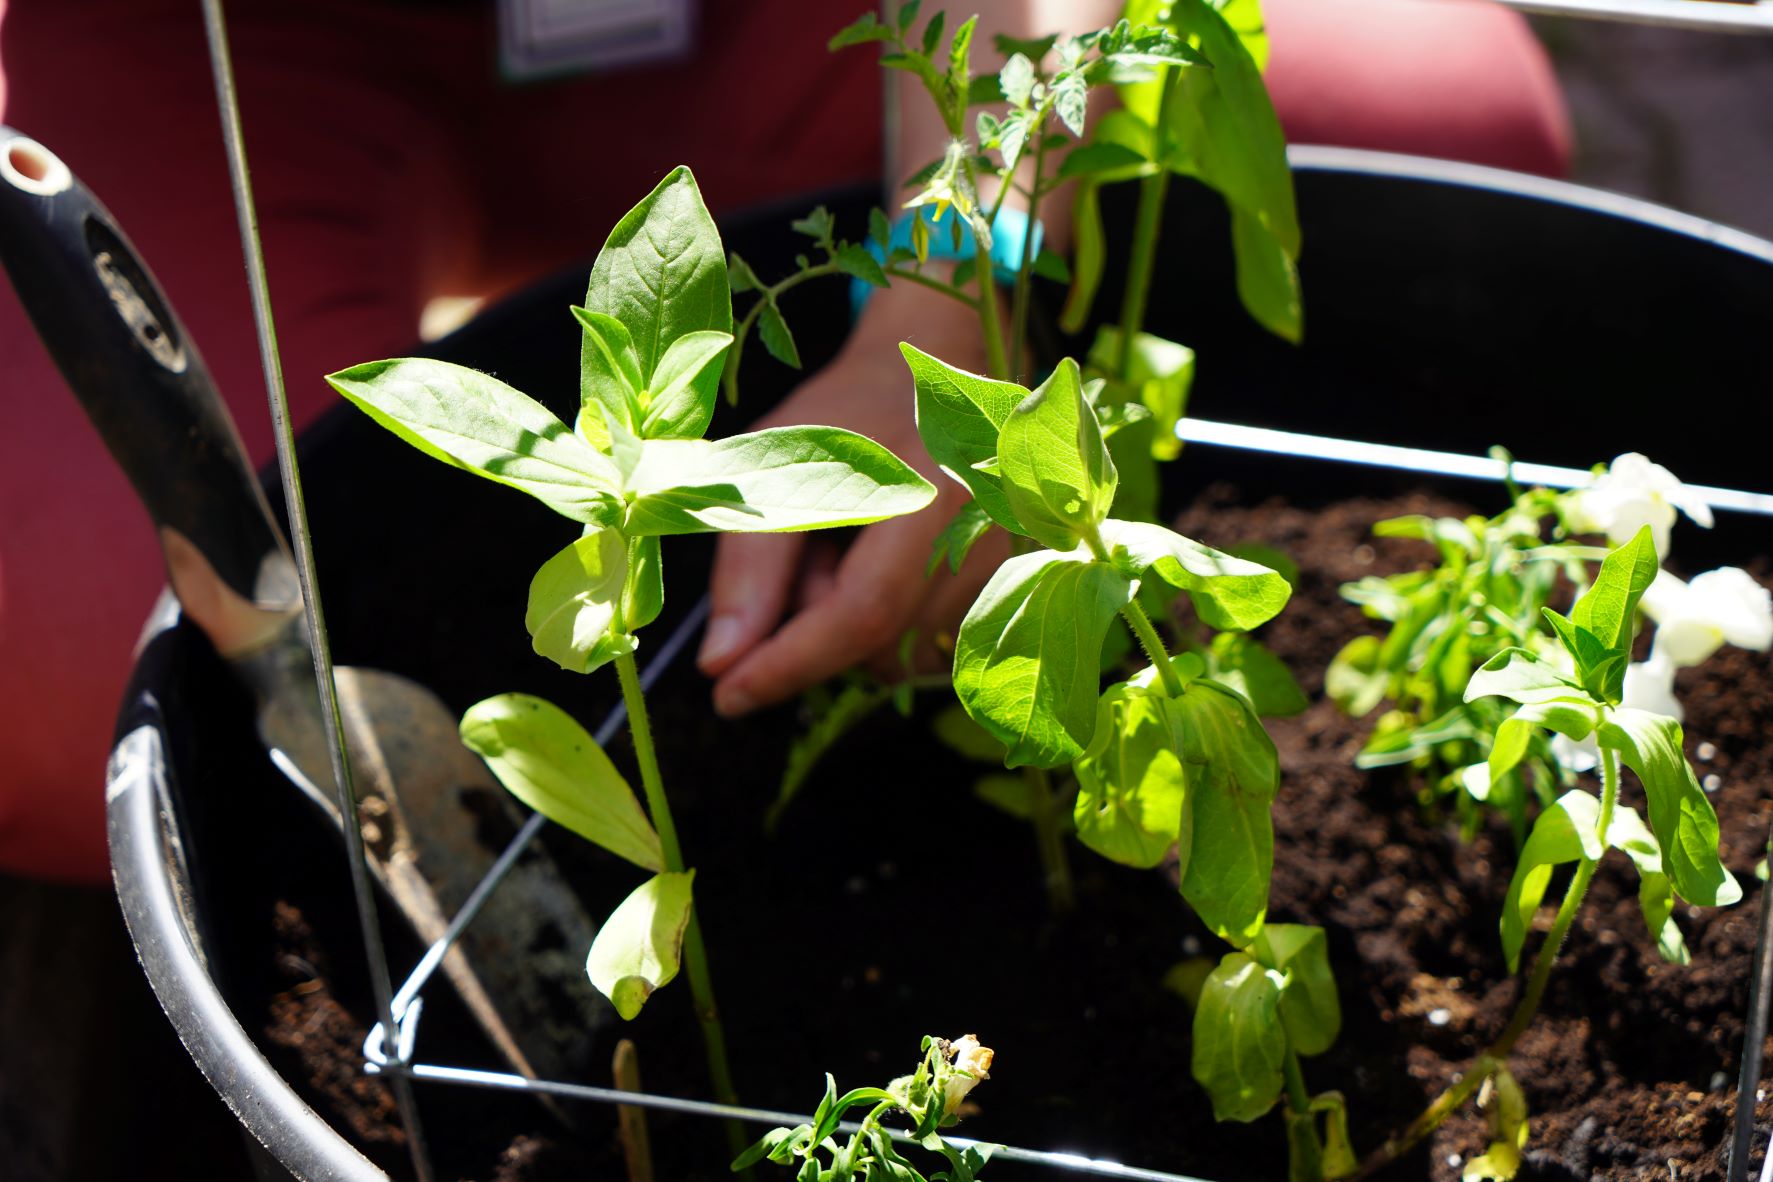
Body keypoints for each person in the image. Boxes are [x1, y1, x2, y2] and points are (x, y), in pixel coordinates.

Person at [0, 0, 1569, 883]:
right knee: (86, 688)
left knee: (1450, 146)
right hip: (242, 53)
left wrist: (961, 283)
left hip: (784, 27)